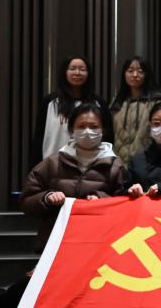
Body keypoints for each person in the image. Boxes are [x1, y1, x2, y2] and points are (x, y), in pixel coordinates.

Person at [22, 102, 128, 245]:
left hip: (98, 242)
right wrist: (47, 198)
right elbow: (26, 201)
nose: (87, 131)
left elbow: (125, 208)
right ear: (71, 130)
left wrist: (102, 199)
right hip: (57, 242)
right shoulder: (52, 163)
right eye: (81, 126)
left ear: (103, 130)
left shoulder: (116, 167)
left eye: (94, 127)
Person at [33, 55, 112, 163]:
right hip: (54, 164)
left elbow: (108, 137)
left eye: (82, 69)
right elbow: (39, 138)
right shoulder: (51, 102)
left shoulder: (98, 103)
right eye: (72, 68)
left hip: (90, 165)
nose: (77, 73)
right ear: (65, 72)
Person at [110, 56, 161, 165]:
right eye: (130, 71)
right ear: (124, 74)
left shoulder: (157, 101)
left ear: (147, 74)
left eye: (140, 71)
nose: (135, 75)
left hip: (148, 162)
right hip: (118, 163)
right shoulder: (117, 101)